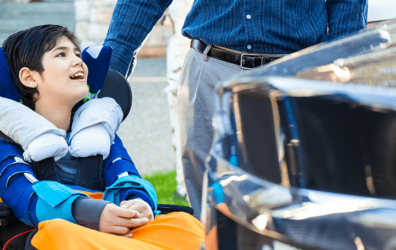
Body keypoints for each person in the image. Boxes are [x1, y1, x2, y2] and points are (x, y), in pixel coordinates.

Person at [102, 0, 368, 220]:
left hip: (293, 76)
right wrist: (109, 73)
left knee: (293, 212)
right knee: (207, 209)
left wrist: (343, 79)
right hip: (208, 71)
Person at [0, 24, 204, 249]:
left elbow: (126, 176)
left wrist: (138, 202)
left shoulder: (98, 129)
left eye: (77, 53)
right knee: (61, 232)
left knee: (184, 225)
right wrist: (91, 213)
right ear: (29, 77)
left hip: (112, 225)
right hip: (48, 231)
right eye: (61, 54)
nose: (78, 61)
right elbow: (24, 195)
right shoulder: (1, 142)